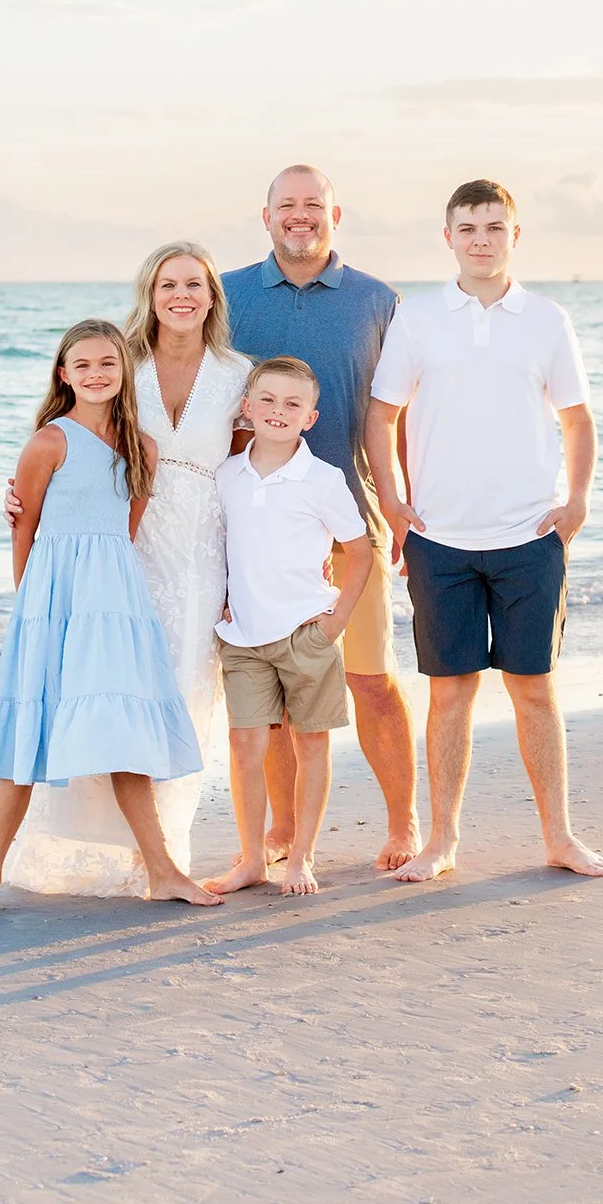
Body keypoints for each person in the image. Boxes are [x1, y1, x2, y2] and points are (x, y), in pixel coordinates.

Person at [364, 179, 603, 885]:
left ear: (514, 236)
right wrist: (392, 499)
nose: (481, 239)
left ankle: (560, 837)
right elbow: (381, 414)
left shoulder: (546, 319)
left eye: (494, 227)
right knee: (450, 691)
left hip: (529, 535)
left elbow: (578, 418)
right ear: (448, 238)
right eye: (468, 227)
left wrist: (578, 501)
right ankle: (441, 841)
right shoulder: (417, 320)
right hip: (439, 538)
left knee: (533, 685)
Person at [5, 248, 250, 896]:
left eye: (194, 284)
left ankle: (161, 856)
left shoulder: (236, 373)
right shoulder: (121, 360)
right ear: (149, 292)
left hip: (201, 551)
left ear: (212, 296)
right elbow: (69, 446)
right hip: (117, 553)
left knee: (182, 697)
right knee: (106, 695)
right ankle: (100, 854)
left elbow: (250, 469)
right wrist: (22, 505)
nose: (181, 295)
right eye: (168, 283)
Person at [0, 319, 221, 916]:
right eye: (82, 366)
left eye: (108, 363)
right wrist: (33, 610)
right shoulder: (49, 443)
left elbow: (122, 535)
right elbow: (24, 531)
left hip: (115, 607)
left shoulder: (143, 450)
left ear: (125, 370)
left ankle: (162, 870)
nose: (96, 374)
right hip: (52, 606)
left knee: (124, 733)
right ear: (63, 375)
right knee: (30, 738)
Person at [222, 166, 420, 871]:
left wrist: (401, 506)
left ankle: (403, 825)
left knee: (370, 679)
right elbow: (178, 394)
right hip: (258, 534)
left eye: (313, 205)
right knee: (272, 692)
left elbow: (399, 416)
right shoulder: (227, 294)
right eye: (287, 206)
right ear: (266, 214)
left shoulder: (377, 301)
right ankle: (280, 832)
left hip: (348, 526)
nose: (299, 217)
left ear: (335, 212)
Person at [203, 357, 373, 899]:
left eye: (292, 404)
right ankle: (253, 858)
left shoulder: (322, 480)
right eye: (268, 401)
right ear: (247, 409)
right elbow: (216, 544)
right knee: (245, 744)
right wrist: (222, 598)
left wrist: (336, 619)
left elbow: (360, 550)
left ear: (311, 418)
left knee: (311, 744)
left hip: (306, 634)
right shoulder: (226, 475)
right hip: (244, 638)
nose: (279, 411)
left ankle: (301, 857)